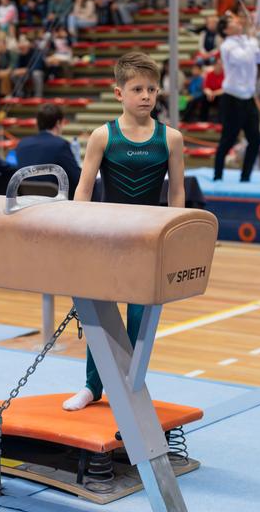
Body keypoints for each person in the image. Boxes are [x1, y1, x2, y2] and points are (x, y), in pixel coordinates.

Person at [62, 51, 185, 411]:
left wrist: (174, 235)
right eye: (137, 89)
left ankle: (130, 384)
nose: (146, 96)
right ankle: (90, 386)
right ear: (119, 94)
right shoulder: (103, 136)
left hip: (147, 239)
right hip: (106, 237)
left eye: (151, 89)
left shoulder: (171, 138)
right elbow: (84, 188)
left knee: (138, 317)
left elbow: (177, 191)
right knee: (101, 313)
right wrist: (76, 230)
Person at [213, 13, 260, 182]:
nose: (237, 21)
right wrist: (254, 39)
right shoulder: (227, 45)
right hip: (232, 98)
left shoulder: (248, 41)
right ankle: (218, 176)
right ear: (226, 29)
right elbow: (244, 58)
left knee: (255, 140)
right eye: (232, 21)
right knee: (228, 139)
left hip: (248, 98)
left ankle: (245, 177)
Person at [16, 103, 82, 199]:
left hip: (26, 202)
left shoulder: (22, 144)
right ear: (58, 123)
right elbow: (77, 178)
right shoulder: (60, 145)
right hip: (53, 205)